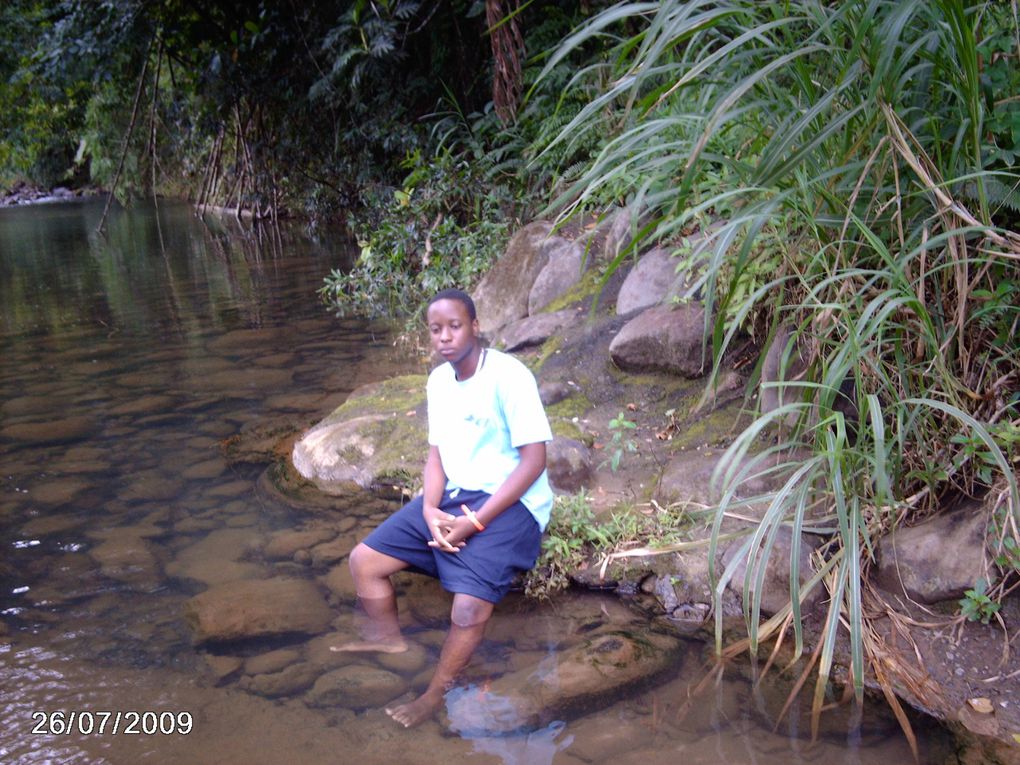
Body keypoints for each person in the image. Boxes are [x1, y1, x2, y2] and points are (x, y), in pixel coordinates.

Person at [331, 288, 554, 728]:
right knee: (365, 561)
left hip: (512, 503)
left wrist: (474, 522)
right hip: (454, 494)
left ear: (475, 326)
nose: (446, 337)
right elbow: (436, 457)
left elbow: (534, 462)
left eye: (455, 326)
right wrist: (431, 508)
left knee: (469, 608)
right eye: (436, 330)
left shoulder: (509, 376)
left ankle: (435, 694)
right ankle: (387, 639)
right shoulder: (438, 381)